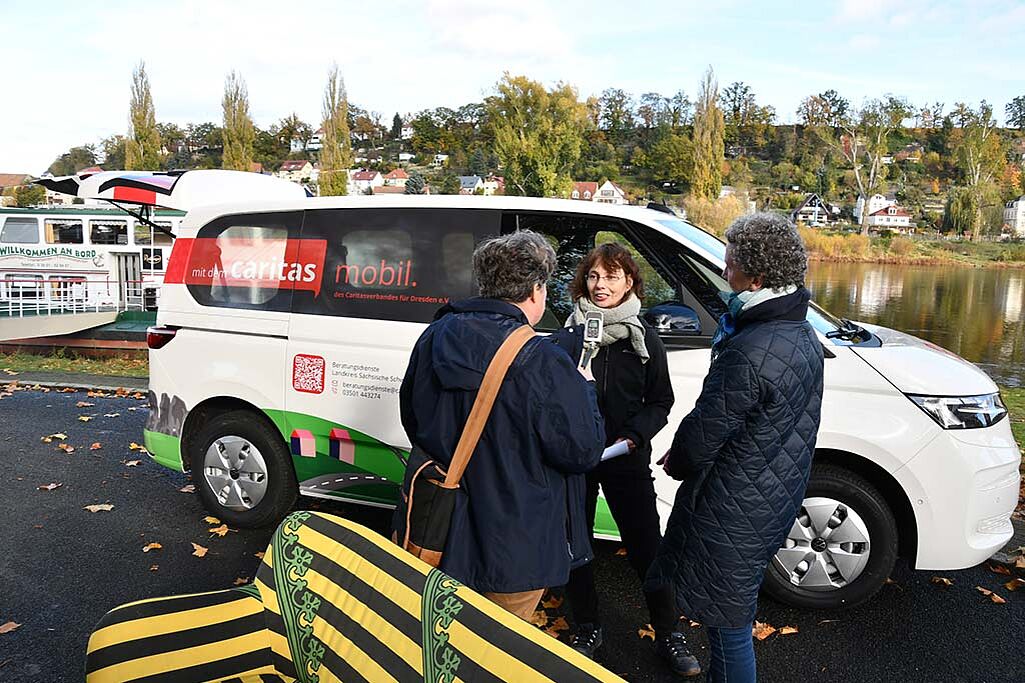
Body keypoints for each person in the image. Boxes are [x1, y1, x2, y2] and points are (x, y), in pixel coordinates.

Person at [645, 213, 825, 683]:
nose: (726, 274)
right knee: (731, 612)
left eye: (730, 266)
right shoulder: (800, 332)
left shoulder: (752, 346)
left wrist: (679, 459)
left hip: (734, 504)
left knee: (729, 626)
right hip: (771, 491)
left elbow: (708, 426)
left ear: (758, 276)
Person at [394, 230, 605, 620]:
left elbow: (413, 419)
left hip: (437, 531)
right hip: (516, 548)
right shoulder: (543, 359)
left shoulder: (435, 334)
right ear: (537, 290)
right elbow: (583, 450)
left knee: (438, 640)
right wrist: (586, 390)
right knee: (497, 651)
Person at [553, 242, 700, 677]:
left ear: (630, 282)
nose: (601, 286)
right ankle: (586, 627)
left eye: (612, 277)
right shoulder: (569, 335)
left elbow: (660, 401)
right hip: (576, 460)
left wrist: (635, 437)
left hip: (625, 457)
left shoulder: (643, 339)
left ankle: (668, 632)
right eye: (595, 277)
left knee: (645, 547)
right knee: (577, 547)